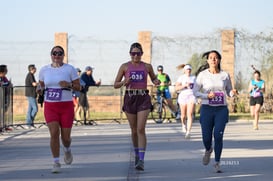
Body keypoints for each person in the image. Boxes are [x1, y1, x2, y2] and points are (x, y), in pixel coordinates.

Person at [114, 42, 160, 171]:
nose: (135, 56)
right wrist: (124, 82)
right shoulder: (124, 66)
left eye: (138, 53)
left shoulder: (147, 66)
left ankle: (141, 159)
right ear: (130, 54)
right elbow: (115, 84)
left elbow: (154, 79)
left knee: (140, 128)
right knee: (134, 130)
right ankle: (136, 153)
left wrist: (157, 81)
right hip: (130, 97)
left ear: (141, 54)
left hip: (143, 97)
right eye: (133, 53)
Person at [37, 45, 80, 173]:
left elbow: (79, 87)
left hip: (66, 106)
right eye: (54, 53)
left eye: (59, 53)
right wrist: (39, 90)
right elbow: (41, 86)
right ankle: (56, 162)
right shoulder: (44, 70)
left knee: (66, 138)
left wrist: (69, 84)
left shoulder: (70, 69)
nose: (57, 56)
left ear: (63, 55)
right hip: (50, 106)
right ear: (51, 55)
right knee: (54, 133)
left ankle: (67, 150)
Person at [193, 50, 238, 173]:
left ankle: (217, 162)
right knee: (206, 137)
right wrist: (206, 96)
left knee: (218, 135)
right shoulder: (202, 75)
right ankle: (208, 149)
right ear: (207, 60)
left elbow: (229, 91)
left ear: (219, 60)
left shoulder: (225, 75)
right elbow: (195, 92)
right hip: (207, 108)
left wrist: (232, 93)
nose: (213, 60)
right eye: (211, 58)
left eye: (216, 58)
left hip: (221, 109)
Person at [175, 64, 196, 139]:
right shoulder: (181, 78)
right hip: (183, 97)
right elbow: (176, 88)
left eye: (190, 69)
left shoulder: (194, 78)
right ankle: (183, 125)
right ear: (184, 70)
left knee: (189, 114)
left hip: (191, 96)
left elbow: (197, 88)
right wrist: (184, 86)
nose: (188, 71)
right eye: (187, 69)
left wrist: (199, 96)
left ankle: (188, 132)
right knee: (183, 115)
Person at [25, 64, 38, 129]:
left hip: (32, 94)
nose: (36, 69)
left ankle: (29, 124)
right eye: (35, 68)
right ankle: (29, 122)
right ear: (32, 69)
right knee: (35, 109)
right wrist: (40, 83)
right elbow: (34, 84)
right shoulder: (30, 75)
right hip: (30, 94)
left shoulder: (31, 75)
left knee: (30, 110)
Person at [0, 65, 13, 131]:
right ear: (2, 71)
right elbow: (2, 85)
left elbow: (7, 83)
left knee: (3, 112)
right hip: (1, 97)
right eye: (6, 70)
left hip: (5, 97)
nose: (7, 71)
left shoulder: (4, 77)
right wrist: (7, 84)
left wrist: (9, 84)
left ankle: (3, 125)